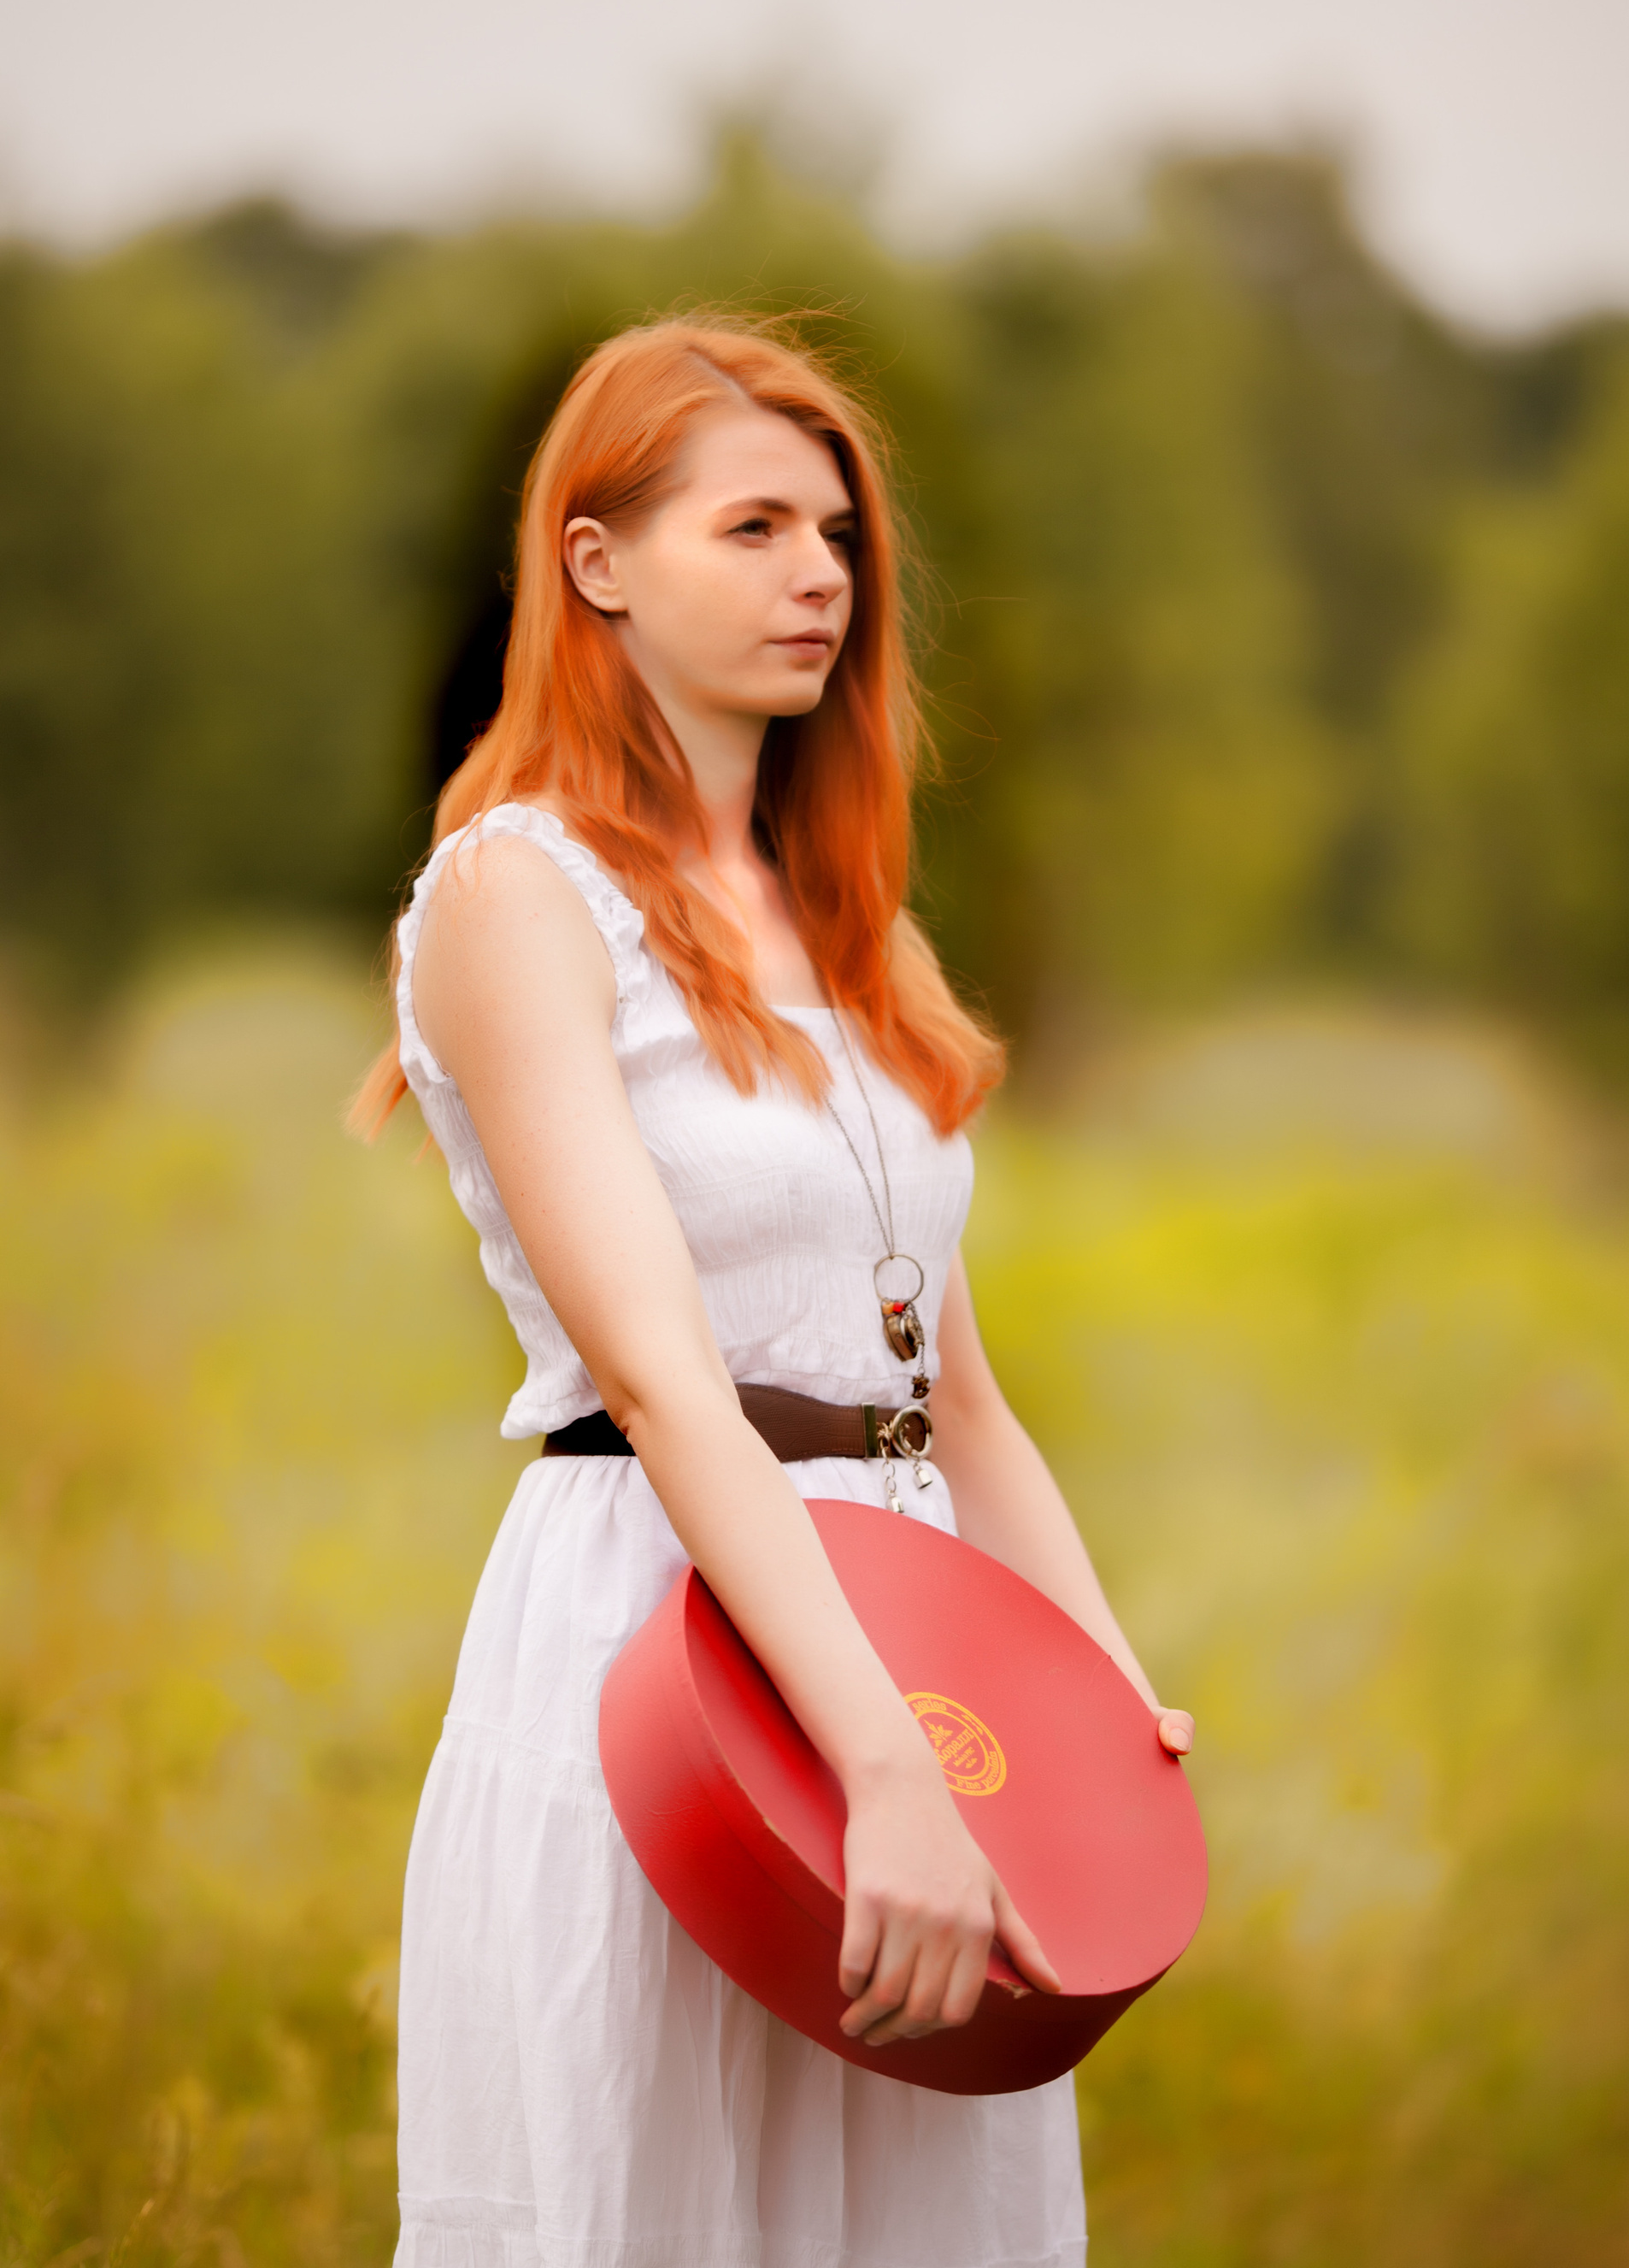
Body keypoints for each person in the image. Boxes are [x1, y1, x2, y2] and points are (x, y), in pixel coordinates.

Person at [352, 315, 1194, 2268]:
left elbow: (955, 1401)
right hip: (668, 1634)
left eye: (837, 534)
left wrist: (1096, 1706)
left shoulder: (852, 921)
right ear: (596, 564)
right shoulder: (515, 895)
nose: (821, 573)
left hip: (919, 1631)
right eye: (752, 528)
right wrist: (880, 1764)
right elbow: (663, 1380)